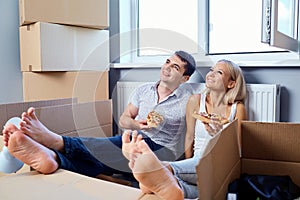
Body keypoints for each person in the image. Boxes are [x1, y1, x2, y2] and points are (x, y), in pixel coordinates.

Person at [2, 51, 196, 178]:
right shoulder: (143, 90)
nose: (167, 68)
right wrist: (137, 125)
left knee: (110, 149)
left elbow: (190, 136)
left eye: (175, 67)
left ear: (185, 79)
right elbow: (124, 119)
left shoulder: (189, 99)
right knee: (105, 159)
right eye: (167, 62)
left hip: (162, 150)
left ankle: (56, 142)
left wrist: (185, 166)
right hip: (132, 139)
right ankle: (53, 159)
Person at [122, 59, 247, 199]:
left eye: (219, 72)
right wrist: (188, 163)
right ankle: (174, 187)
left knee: (199, 168)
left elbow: (238, 149)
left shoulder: (238, 109)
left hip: (221, 164)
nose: (211, 74)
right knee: (204, 186)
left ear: (231, 84)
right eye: (211, 70)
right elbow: (189, 136)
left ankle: (162, 168)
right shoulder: (195, 101)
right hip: (195, 163)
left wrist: (219, 134)